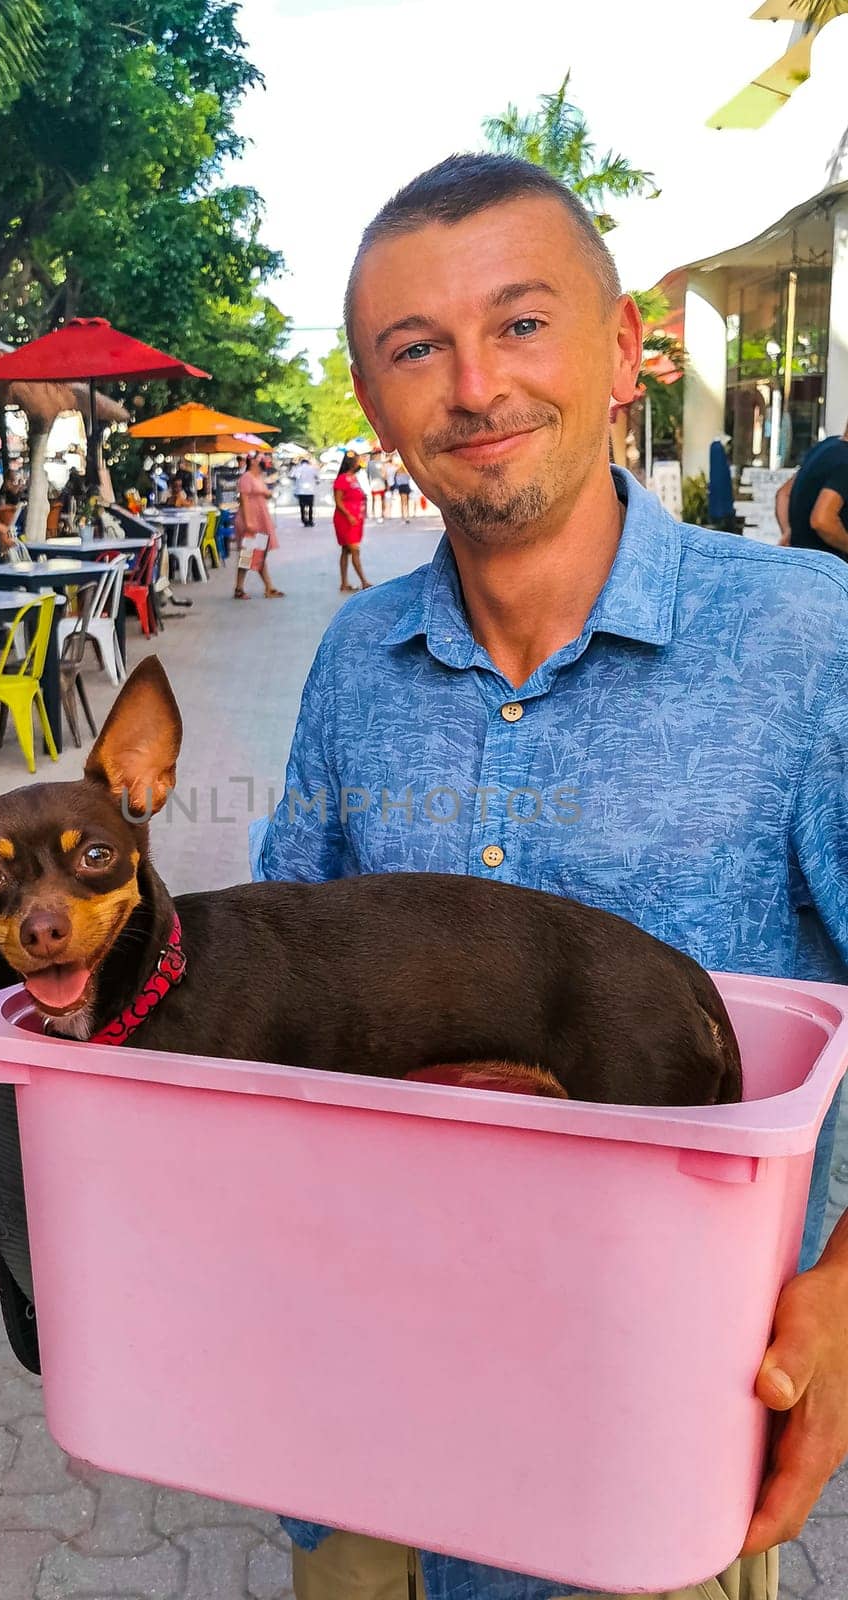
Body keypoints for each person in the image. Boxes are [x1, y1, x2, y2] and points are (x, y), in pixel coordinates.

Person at [256, 153, 848, 1600]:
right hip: (364, 1427)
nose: (474, 386)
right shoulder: (354, 661)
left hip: (649, 1438)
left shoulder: (808, 640)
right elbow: (273, 972)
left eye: (521, 324)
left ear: (622, 345)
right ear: (374, 397)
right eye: (415, 349)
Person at [775, 422, 848, 556]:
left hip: (801, 561)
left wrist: (789, 533)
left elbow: (783, 494)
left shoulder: (827, 446)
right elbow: (821, 521)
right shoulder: (845, 461)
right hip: (828, 568)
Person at [233, 453, 283, 599]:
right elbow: (244, 499)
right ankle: (239, 587)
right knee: (247, 554)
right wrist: (249, 522)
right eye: (262, 459)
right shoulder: (247, 477)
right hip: (250, 521)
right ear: (254, 461)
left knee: (261, 553)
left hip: (260, 520)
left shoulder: (259, 477)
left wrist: (267, 493)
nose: (265, 462)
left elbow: (263, 493)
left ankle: (269, 587)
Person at [332, 449, 372, 593]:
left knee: (346, 550)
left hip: (355, 519)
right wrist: (349, 515)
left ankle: (344, 583)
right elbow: (338, 500)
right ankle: (364, 581)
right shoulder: (342, 479)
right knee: (354, 550)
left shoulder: (353, 478)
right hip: (346, 520)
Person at [291, 458, 319, 526]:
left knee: (302, 507)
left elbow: (292, 476)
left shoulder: (298, 468)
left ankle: (304, 521)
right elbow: (317, 478)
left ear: (301, 463)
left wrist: (298, 481)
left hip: (301, 491)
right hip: (310, 491)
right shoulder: (312, 468)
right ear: (308, 463)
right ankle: (310, 521)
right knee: (310, 507)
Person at [366, 450, 389, 521]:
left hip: (374, 483)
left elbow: (367, 474)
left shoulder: (369, 463)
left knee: (375, 498)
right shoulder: (380, 463)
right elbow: (384, 474)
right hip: (379, 482)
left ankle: (375, 513)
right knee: (381, 498)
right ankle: (381, 513)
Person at [391, 454, 412, 521]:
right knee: (406, 501)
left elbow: (396, 480)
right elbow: (409, 478)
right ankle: (407, 514)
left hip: (402, 486)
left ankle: (403, 514)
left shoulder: (397, 471)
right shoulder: (406, 471)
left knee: (403, 501)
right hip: (406, 485)